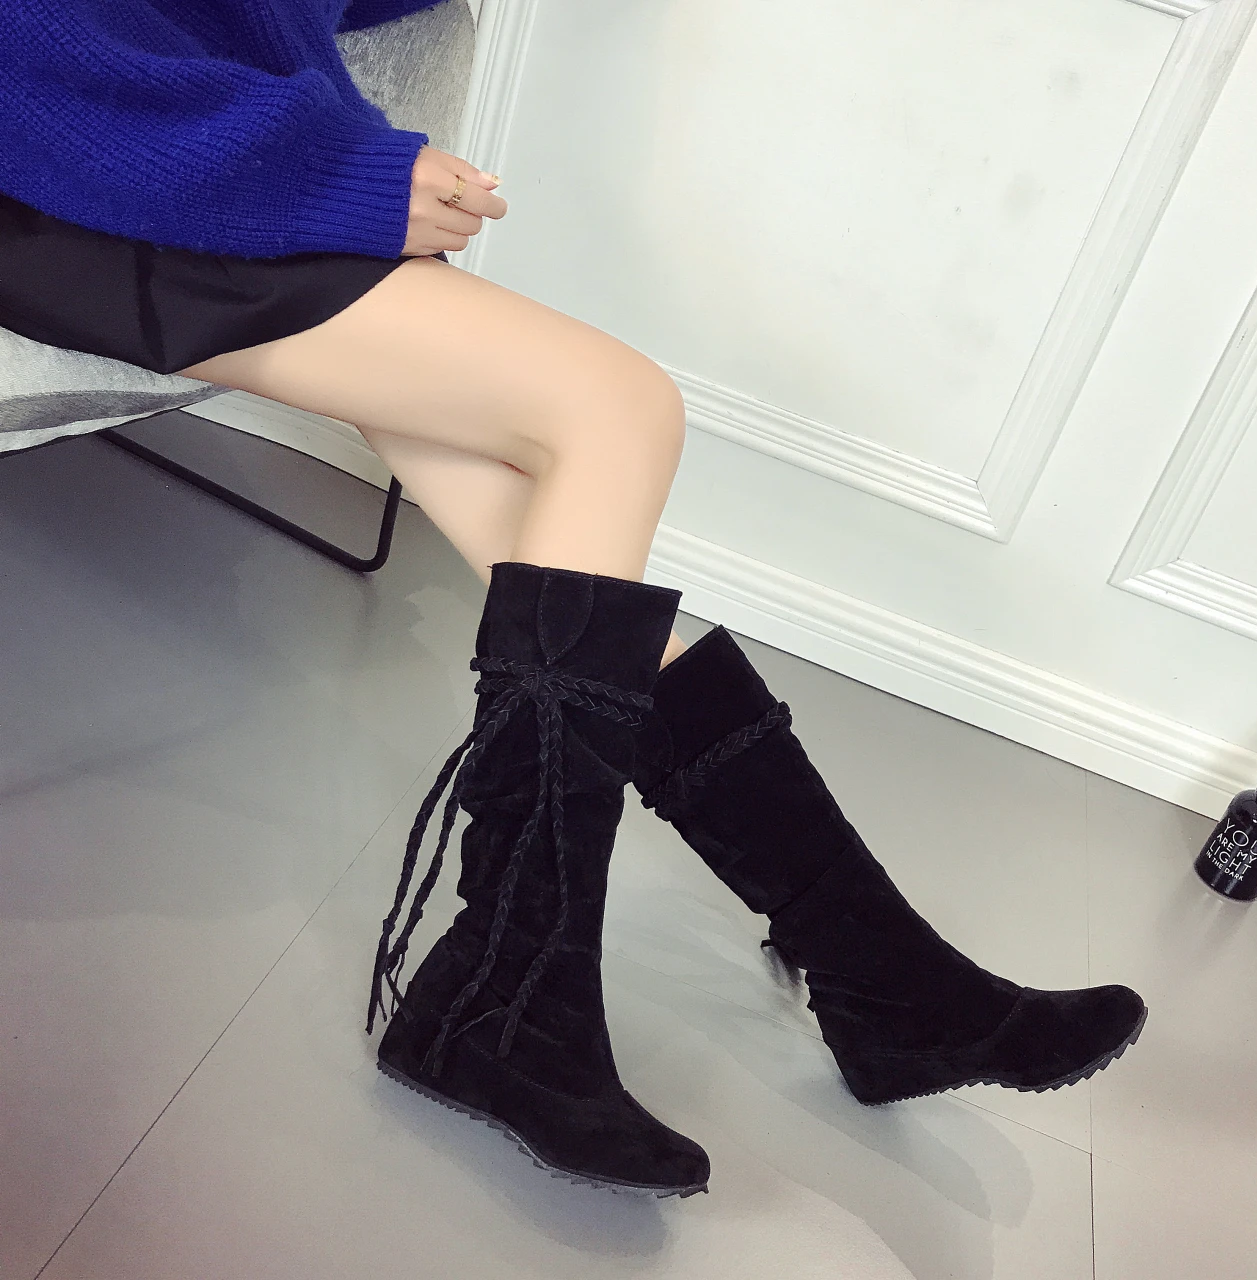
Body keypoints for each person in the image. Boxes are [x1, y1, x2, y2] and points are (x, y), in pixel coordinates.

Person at [0, 0, 1147, 1199]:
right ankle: (548, 992)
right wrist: (331, 175)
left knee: (552, 538)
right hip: (84, 168)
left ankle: (868, 978)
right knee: (615, 409)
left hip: (214, 159)